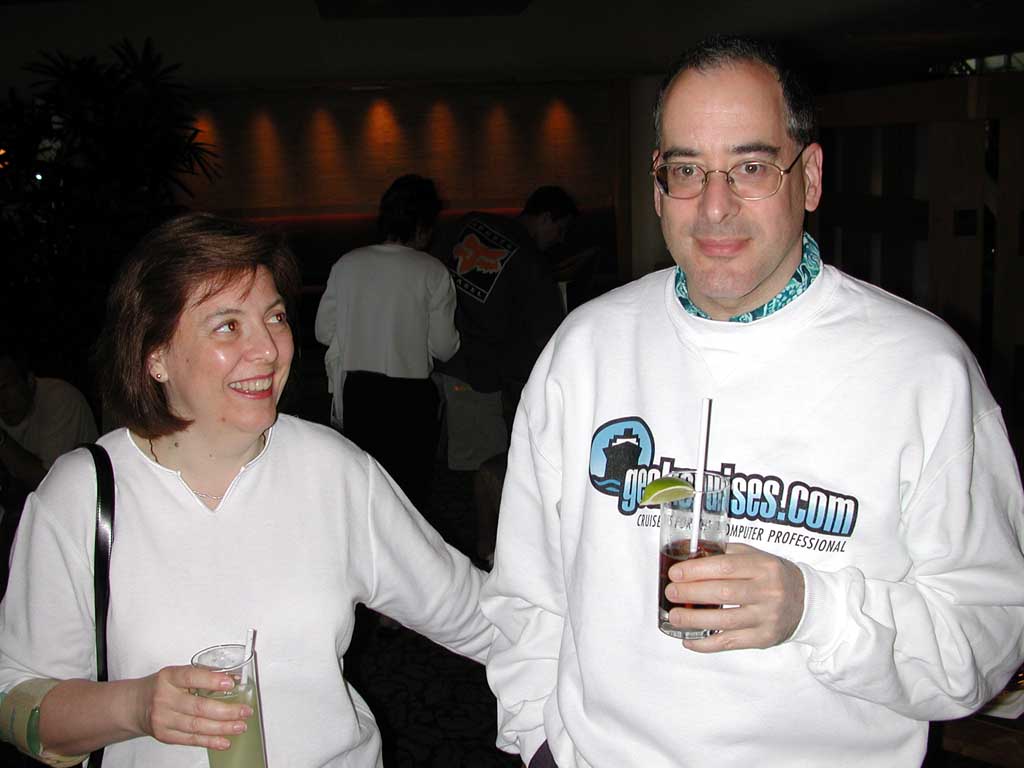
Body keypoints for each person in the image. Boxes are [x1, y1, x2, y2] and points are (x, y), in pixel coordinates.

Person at [480, 35, 1024, 768]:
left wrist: (813, 610)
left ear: (811, 178)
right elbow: (526, 592)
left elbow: (987, 638)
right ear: (657, 185)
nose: (715, 207)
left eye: (751, 167)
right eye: (686, 170)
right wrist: (537, 741)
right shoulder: (584, 350)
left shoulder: (924, 371)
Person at [0, 213, 490, 767]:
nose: (269, 349)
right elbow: (17, 698)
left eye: (274, 317)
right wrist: (134, 707)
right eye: (228, 326)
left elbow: (474, 614)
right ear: (155, 356)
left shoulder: (331, 470)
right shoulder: (83, 494)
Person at [315, 174, 458, 512]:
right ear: (423, 225)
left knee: (367, 490)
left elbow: (323, 331)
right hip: (411, 398)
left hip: (360, 393)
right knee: (410, 496)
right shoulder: (432, 270)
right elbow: (444, 346)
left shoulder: (347, 264)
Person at [435, 185, 575, 471]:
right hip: (477, 374)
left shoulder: (470, 222)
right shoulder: (531, 262)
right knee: (481, 466)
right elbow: (547, 337)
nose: (560, 240)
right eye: (560, 230)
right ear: (546, 218)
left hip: (432, 361)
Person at [0, 351, 98, 597]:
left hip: (77, 524)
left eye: (4, 387)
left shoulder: (60, 400)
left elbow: (45, 482)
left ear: (29, 380)